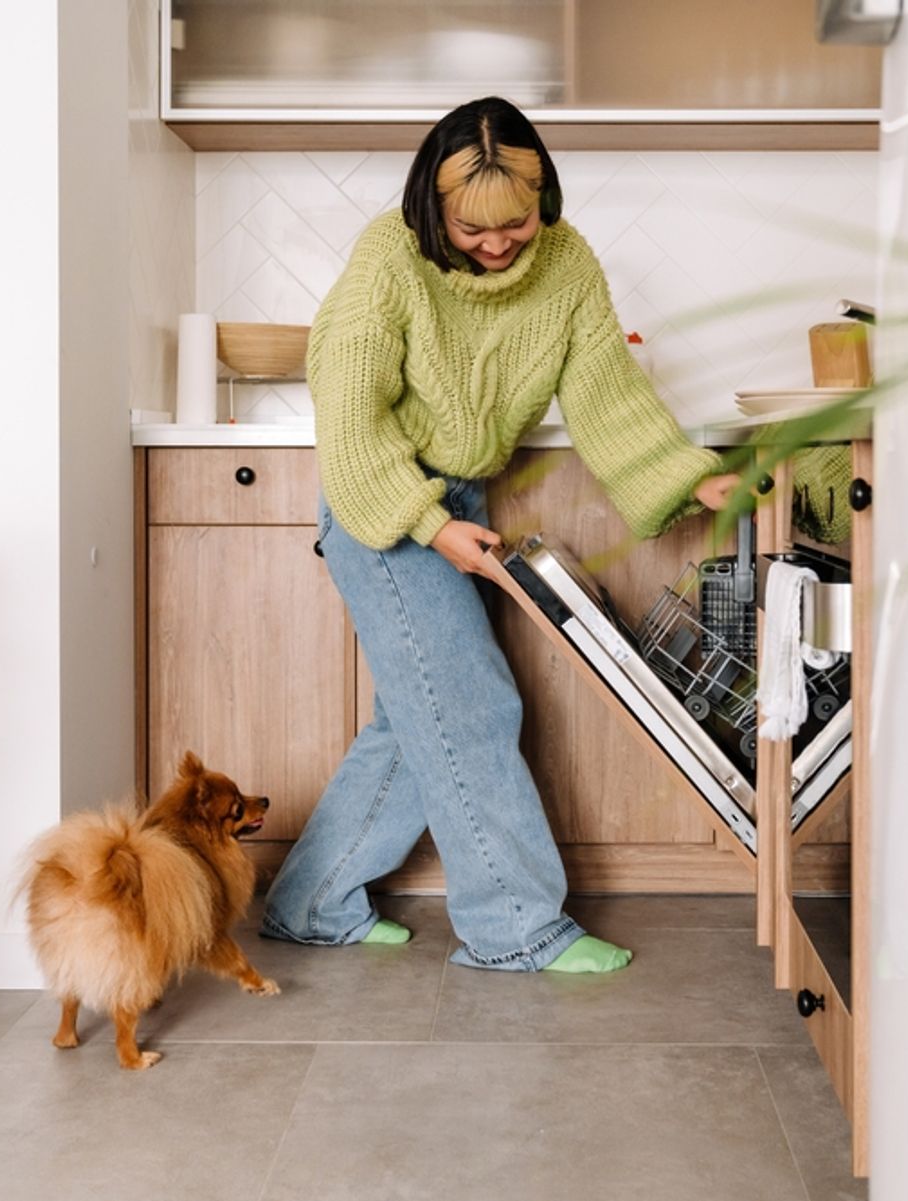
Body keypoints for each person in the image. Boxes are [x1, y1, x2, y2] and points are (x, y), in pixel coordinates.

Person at [259, 96, 740, 974]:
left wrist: (686, 472)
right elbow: (350, 416)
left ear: (543, 195)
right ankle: (515, 925)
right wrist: (431, 524)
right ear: (430, 206)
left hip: (460, 500)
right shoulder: (387, 260)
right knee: (473, 701)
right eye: (470, 226)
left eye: (515, 221)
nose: (495, 243)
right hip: (384, 504)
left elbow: (605, 387)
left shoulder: (566, 262)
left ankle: (310, 901)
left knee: (421, 713)